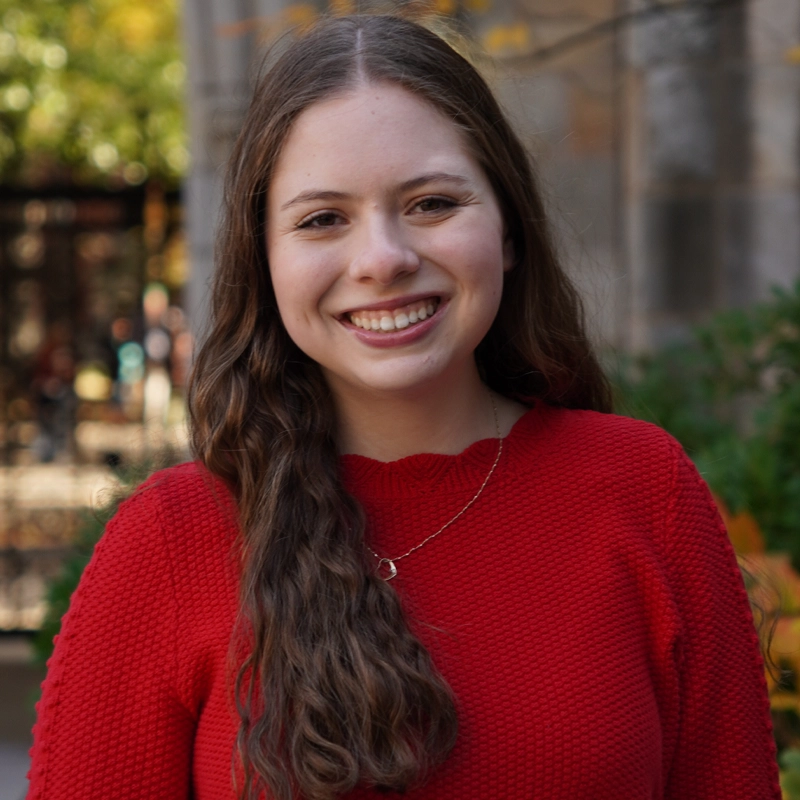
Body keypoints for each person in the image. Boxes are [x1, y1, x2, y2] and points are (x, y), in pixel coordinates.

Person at [27, 14, 780, 800]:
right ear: (266, 259)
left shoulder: (644, 492)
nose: (383, 258)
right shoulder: (169, 544)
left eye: (431, 203)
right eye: (323, 219)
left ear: (509, 229)